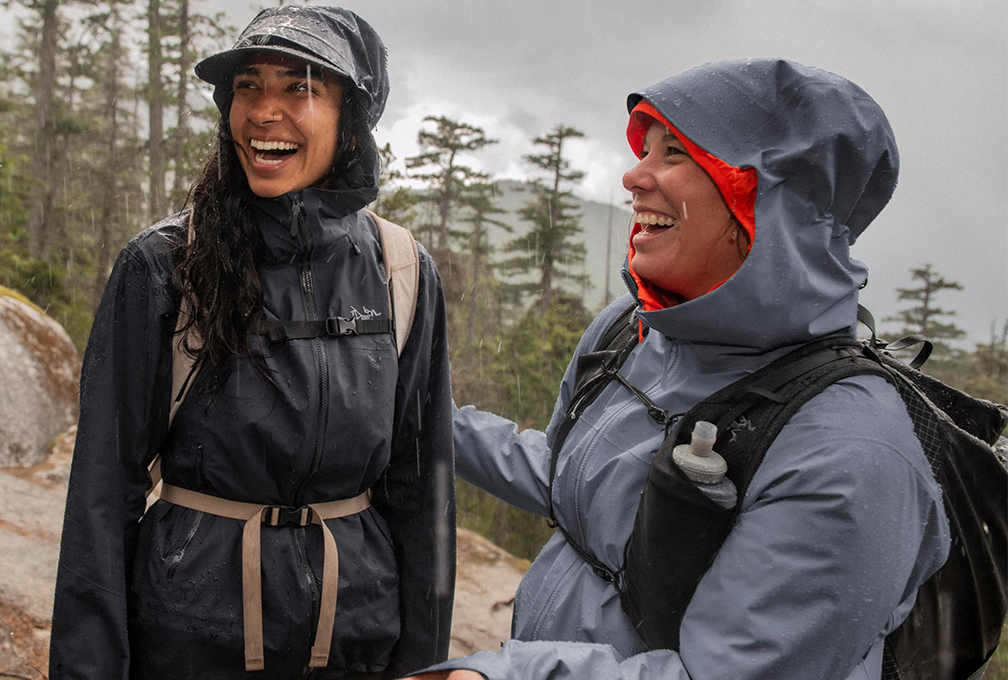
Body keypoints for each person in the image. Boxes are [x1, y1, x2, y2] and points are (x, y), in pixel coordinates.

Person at [408, 59, 949, 680]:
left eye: (674, 152)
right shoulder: (630, 332)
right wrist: (421, 416)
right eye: (645, 148)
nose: (633, 175)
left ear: (770, 201)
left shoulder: (852, 451)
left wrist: (502, 675)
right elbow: (568, 475)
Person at [49, 6, 454, 679]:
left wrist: (424, 669)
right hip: (192, 641)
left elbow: (422, 495)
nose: (265, 112)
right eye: (249, 86)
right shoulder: (165, 265)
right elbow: (102, 493)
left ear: (350, 117)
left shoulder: (401, 271)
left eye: (300, 88)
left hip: (356, 638)